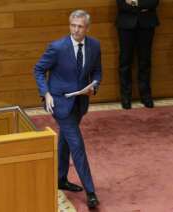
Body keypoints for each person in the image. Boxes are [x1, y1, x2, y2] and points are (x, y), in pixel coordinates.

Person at [33, 10, 102, 209]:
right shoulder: (57, 47)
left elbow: (97, 71)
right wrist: (45, 93)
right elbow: (38, 69)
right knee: (77, 145)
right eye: (73, 25)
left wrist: (93, 87)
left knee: (65, 140)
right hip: (59, 103)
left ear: (87, 28)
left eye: (80, 26)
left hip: (80, 103)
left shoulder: (94, 46)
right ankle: (91, 192)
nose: (75, 30)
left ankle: (60, 178)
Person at [116, 0, 159, 109]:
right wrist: (142, 6)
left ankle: (146, 96)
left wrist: (134, 2)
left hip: (147, 23)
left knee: (145, 61)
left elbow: (153, 3)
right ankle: (126, 97)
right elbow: (121, 4)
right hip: (125, 24)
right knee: (125, 62)